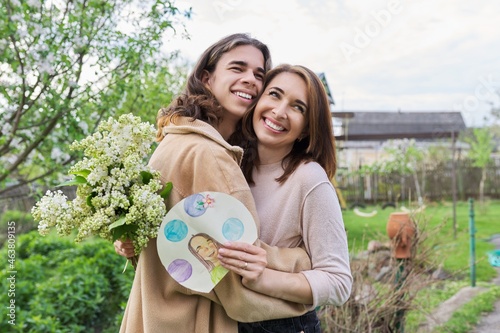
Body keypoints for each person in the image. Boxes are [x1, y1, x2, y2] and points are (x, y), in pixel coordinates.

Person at [116, 33, 313, 333]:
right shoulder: (211, 156)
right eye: (238, 68)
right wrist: (303, 265)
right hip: (194, 321)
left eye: (259, 75)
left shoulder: (172, 141)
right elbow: (238, 274)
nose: (251, 80)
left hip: (154, 314)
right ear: (206, 78)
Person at [218, 64, 353, 332]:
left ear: (305, 128)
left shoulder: (309, 178)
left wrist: (263, 278)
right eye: (275, 95)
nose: (279, 112)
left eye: (297, 107)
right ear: (257, 101)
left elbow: (339, 282)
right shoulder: (229, 164)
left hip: (281, 324)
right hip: (226, 318)